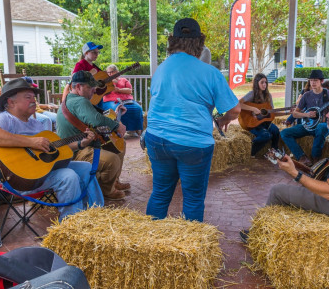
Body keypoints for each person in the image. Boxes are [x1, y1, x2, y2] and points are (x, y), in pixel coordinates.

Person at [240, 95, 329, 242]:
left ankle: (258, 235)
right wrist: (298, 165)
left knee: (277, 191)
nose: (326, 115)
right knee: (301, 189)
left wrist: (294, 173)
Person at [145, 18, 240, 222]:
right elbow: (235, 110)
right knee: (193, 199)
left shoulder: (161, 68)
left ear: (173, 41)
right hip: (193, 143)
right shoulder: (210, 73)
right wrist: (222, 120)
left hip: (157, 138)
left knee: (160, 193)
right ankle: (190, 250)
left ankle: (150, 244)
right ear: (199, 43)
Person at [0, 78, 104, 221]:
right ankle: (71, 224)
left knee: (86, 168)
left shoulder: (36, 124)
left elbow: (54, 146)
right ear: (11, 102)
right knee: (68, 176)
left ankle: (96, 214)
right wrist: (31, 142)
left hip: (41, 172)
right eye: (28, 97)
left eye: (34, 97)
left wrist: (80, 144)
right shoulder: (5, 118)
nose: (34, 100)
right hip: (19, 179)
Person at [56, 71, 130, 201]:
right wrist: (116, 126)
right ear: (78, 87)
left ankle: (113, 181)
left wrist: (115, 114)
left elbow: (97, 116)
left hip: (78, 147)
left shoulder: (72, 99)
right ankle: (107, 190)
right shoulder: (79, 101)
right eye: (90, 87)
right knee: (112, 159)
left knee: (120, 145)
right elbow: (96, 120)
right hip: (77, 151)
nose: (94, 91)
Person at [280, 69, 329, 166]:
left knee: (321, 127)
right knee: (284, 133)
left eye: (316, 80)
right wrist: (306, 115)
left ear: (321, 81)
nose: (313, 83)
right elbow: (295, 114)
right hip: (308, 126)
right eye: (311, 80)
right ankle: (302, 157)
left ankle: (315, 159)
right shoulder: (306, 95)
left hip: (323, 125)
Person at [239, 73, 280, 156]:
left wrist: (288, 112)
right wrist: (253, 109)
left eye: (266, 82)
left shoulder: (268, 96)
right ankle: (249, 152)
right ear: (256, 83)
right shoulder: (252, 94)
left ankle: (273, 151)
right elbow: (238, 104)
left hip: (264, 122)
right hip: (252, 122)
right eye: (262, 82)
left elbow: (272, 111)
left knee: (276, 131)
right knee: (266, 135)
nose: (264, 85)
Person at [101, 65, 143, 136]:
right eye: (108, 72)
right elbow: (101, 91)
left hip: (127, 100)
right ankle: (118, 131)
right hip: (111, 100)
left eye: (112, 72)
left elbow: (130, 90)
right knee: (117, 109)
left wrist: (119, 90)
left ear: (117, 72)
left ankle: (133, 130)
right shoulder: (105, 82)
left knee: (138, 108)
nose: (110, 74)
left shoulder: (123, 80)